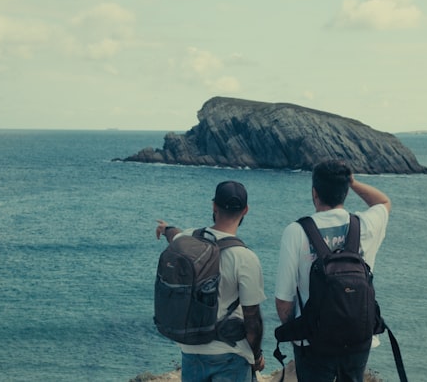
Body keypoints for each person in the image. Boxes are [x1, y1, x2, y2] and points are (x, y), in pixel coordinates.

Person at [274, 160, 392, 382]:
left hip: (313, 342)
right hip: (358, 338)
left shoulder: (296, 231)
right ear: (345, 191)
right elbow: (383, 202)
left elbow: (283, 302)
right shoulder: (365, 224)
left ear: (314, 193)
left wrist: (296, 333)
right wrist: (352, 182)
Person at [156, 180, 267, 382]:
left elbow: (175, 235)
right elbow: (252, 319)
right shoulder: (245, 258)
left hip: (191, 350)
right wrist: (257, 355)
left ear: (214, 205)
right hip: (230, 355)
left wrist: (166, 228)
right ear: (246, 210)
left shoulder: (188, 239)